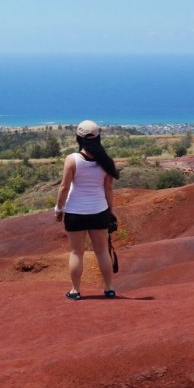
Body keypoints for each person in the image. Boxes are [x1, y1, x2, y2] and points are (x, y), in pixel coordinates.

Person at [53, 120, 120, 300]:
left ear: (78, 138)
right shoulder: (106, 161)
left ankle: (75, 290)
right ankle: (109, 288)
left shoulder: (72, 160)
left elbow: (64, 187)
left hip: (75, 212)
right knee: (102, 251)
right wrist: (110, 211)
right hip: (99, 211)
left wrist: (59, 209)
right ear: (98, 137)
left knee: (76, 252)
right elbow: (108, 189)